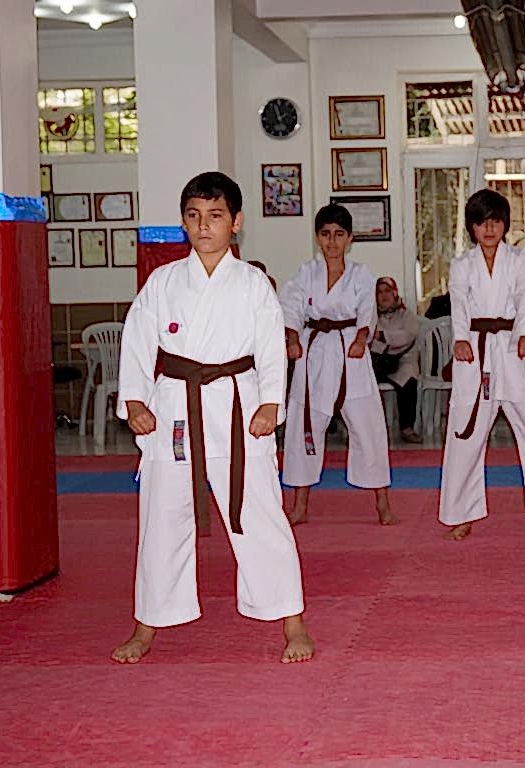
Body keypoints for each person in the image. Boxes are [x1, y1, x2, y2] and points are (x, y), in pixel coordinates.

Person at [112, 171, 313, 665]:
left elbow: (270, 348)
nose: (204, 226)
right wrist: (135, 400)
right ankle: (146, 623)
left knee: (259, 514)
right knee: (161, 518)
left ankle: (292, 620)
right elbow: (137, 341)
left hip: (238, 408)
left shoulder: (252, 285)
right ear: (184, 222)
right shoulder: (163, 282)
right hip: (175, 407)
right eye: (195, 216)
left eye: (216, 216)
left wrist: (271, 403)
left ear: (236, 223)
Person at [439, 189, 525, 541]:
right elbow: (459, 303)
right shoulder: (461, 264)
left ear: (505, 225)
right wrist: (460, 339)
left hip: (513, 348)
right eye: (482, 222)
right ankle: (463, 514)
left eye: (496, 221)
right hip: (475, 350)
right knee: (465, 433)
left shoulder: (519, 258)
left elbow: (522, 296)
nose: (489, 229)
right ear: (472, 227)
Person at [280, 204, 397, 527]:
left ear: (350, 239)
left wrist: (361, 339)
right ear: (317, 237)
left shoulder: (361, 274)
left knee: (367, 425)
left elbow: (367, 311)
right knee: (304, 425)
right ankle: (300, 505)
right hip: (314, 351)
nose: (332, 241)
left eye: (339, 234)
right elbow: (291, 307)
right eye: (325, 234)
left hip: (349, 352)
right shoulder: (306, 273)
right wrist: (292, 338)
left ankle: (383, 503)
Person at [371, 276, 423, 444]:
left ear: (394, 293)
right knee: (363, 383)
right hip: (378, 362)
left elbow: (407, 335)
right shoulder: (371, 315)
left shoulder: (406, 315)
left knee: (408, 381)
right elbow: (367, 339)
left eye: (387, 291)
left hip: (403, 361)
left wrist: (382, 336)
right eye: (380, 292)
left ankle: (407, 428)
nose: (384, 295)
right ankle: (371, 429)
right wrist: (383, 344)